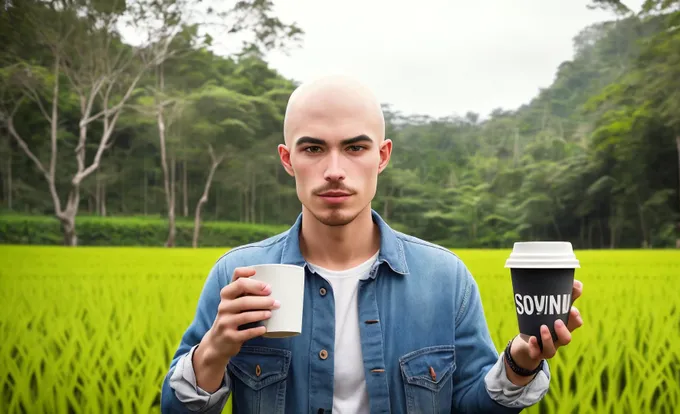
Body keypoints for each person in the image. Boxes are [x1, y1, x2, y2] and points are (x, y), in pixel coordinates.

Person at [160, 75, 584, 414]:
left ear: (381, 156)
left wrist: (520, 362)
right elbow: (175, 409)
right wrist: (213, 352)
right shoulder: (240, 274)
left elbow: (472, 404)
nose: (334, 170)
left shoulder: (443, 278)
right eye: (313, 148)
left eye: (354, 147)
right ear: (288, 160)